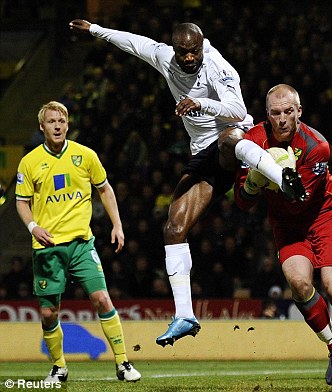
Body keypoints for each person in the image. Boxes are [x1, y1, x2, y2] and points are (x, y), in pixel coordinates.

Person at [69, 19, 307, 347]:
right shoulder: (165, 57)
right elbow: (132, 41)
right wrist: (95, 30)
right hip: (204, 155)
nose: (190, 58)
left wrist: (201, 103)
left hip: (237, 138)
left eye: (194, 51)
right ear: (175, 49)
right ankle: (184, 316)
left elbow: (238, 110)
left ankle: (282, 178)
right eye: (184, 52)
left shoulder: (218, 67)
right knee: (173, 227)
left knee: (227, 141)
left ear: (201, 45)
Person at [234, 84, 332, 391]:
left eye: (289, 111)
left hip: (326, 216)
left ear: (299, 111)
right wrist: (251, 185)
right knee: (299, 285)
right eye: (276, 113)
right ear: (267, 115)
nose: (283, 119)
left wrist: (270, 175)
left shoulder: (318, 146)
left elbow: (300, 198)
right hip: (288, 227)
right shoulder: (253, 141)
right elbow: (242, 202)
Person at [14, 101, 141, 382]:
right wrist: (33, 227)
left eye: (61, 120)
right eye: (51, 121)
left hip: (82, 244)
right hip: (47, 248)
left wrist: (117, 225)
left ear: (68, 125)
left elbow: (105, 189)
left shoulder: (85, 156)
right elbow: (21, 202)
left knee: (102, 299)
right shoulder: (30, 162)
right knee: (49, 313)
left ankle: (123, 363)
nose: (57, 125)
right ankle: (59, 367)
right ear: (42, 126)